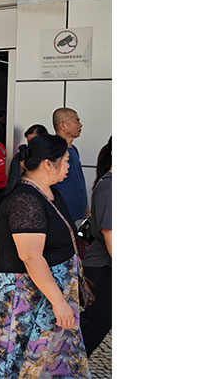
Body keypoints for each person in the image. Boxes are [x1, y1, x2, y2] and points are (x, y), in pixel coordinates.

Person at [0, 134, 90, 378]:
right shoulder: (25, 200)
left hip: (49, 293)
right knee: (19, 360)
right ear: (48, 163)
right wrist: (59, 302)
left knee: (50, 361)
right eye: (65, 160)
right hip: (27, 297)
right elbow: (31, 256)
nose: (69, 165)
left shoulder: (50, 192)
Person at [80, 137, 112, 357]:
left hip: (105, 266)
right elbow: (108, 231)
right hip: (102, 267)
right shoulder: (109, 185)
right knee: (97, 319)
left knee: (100, 318)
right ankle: (64, 363)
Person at [52, 107, 88, 222]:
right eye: (76, 121)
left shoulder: (74, 150)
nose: (80, 125)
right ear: (63, 125)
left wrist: (86, 206)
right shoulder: (53, 150)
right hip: (61, 215)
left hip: (78, 214)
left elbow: (78, 180)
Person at [5, 124, 49, 196]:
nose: (30, 145)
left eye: (33, 141)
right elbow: (13, 182)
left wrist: (28, 169)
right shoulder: (22, 156)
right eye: (28, 141)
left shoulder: (52, 156)